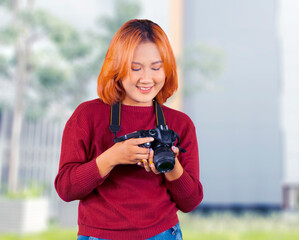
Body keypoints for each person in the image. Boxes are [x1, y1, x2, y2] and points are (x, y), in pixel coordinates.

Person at [54, 19, 203, 240]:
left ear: (167, 68)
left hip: (162, 234)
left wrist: (171, 166)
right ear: (117, 67)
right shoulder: (87, 116)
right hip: (100, 234)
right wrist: (112, 157)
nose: (146, 78)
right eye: (135, 68)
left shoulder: (180, 124)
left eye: (156, 67)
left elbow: (190, 202)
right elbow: (66, 189)